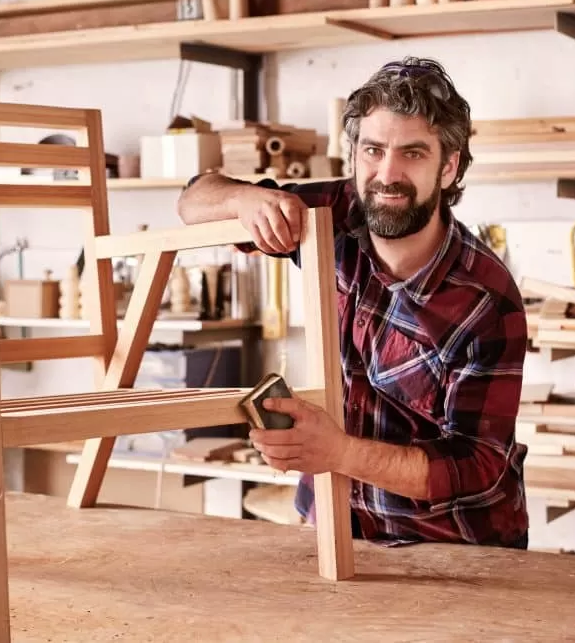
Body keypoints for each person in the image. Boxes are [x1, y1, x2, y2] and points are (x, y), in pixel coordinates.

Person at [176, 56, 529, 549]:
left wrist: (336, 452)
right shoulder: (331, 215)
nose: (386, 174)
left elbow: (477, 467)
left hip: (448, 546)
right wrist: (243, 201)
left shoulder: (486, 302)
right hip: (336, 524)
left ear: (448, 168)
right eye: (373, 149)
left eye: (412, 153)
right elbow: (193, 200)